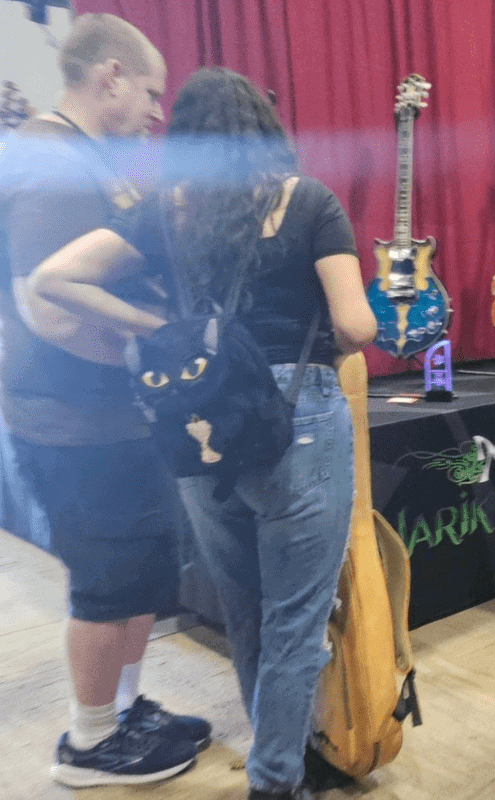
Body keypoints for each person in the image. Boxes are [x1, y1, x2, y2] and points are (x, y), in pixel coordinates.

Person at [30, 67, 377, 800]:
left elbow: (54, 279)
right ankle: (276, 780)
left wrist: (157, 327)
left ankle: (280, 755)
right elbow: (354, 326)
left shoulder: (167, 212)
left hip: (204, 426)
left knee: (245, 611)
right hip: (299, 418)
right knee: (296, 619)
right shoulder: (309, 201)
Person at [0, 13, 209, 787]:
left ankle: (123, 711)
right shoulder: (50, 160)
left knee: (141, 573)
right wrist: (157, 354)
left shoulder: (84, 157)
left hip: (114, 416)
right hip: (75, 422)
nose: (157, 112)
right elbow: (49, 310)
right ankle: (89, 744)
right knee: (105, 584)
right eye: (150, 92)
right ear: (110, 75)